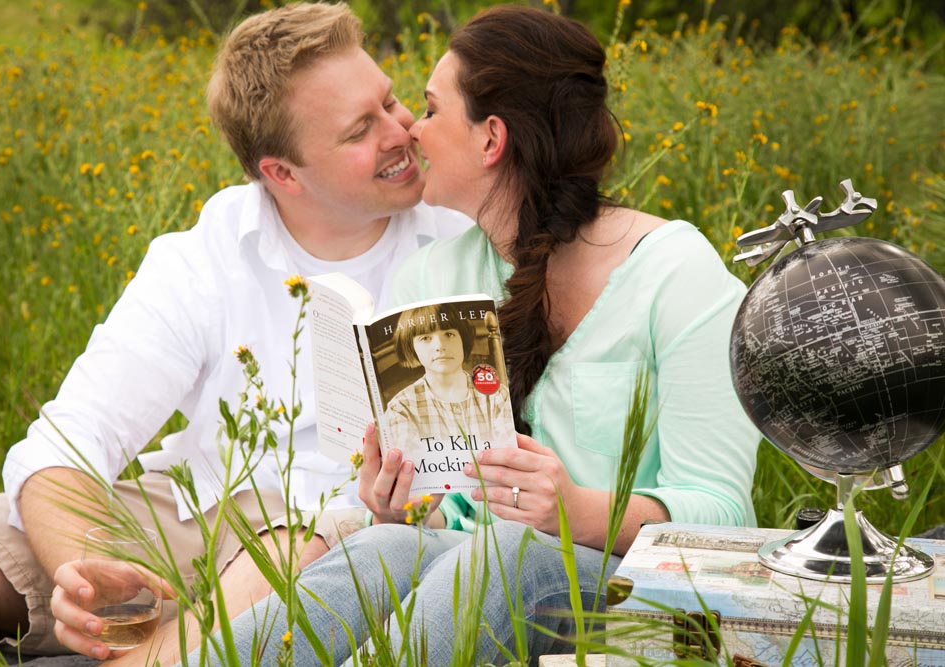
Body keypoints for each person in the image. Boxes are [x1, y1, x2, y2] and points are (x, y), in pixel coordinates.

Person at [196, 5, 761, 666]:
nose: (412, 127)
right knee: (378, 550)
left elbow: (728, 517)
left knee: (505, 558)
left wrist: (577, 510)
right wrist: (395, 501)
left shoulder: (677, 274)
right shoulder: (434, 277)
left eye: (431, 110)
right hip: (478, 586)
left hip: (645, 614)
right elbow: (443, 518)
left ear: (491, 139)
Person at [0, 2, 470, 662]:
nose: (401, 130)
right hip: (197, 510)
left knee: (292, 546)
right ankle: (155, 633)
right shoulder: (207, 253)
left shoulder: (461, 236)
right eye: (361, 129)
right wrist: (85, 568)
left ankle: (157, 655)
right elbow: (68, 440)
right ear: (282, 173)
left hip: (336, 528)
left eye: (391, 101)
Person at [384, 303, 517, 459]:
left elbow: (509, 455)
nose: (440, 346)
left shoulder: (496, 396)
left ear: (463, 339)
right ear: (411, 347)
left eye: (449, 334)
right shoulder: (401, 407)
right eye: (426, 338)